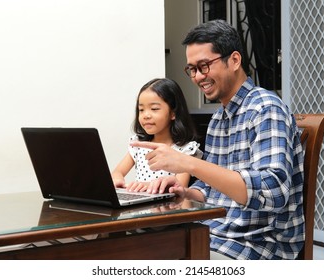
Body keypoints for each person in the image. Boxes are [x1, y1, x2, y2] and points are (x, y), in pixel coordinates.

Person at [130, 20, 305, 260]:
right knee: (130, 246)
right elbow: (212, 188)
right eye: (192, 69)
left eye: (204, 66)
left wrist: (188, 163)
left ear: (234, 60)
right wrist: (187, 192)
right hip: (215, 234)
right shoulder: (218, 119)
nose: (198, 77)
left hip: (258, 244)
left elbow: (273, 192)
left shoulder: (265, 109)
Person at [111, 78, 203, 190]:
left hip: (169, 206)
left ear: (173, 113)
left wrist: (144, 186)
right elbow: (117, 172)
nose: (146, 115)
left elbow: (180, 186)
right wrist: (117, 180)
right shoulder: (139, 144)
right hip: (140, 204)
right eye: (141, 110)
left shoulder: (185, 150)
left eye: (154, 109)